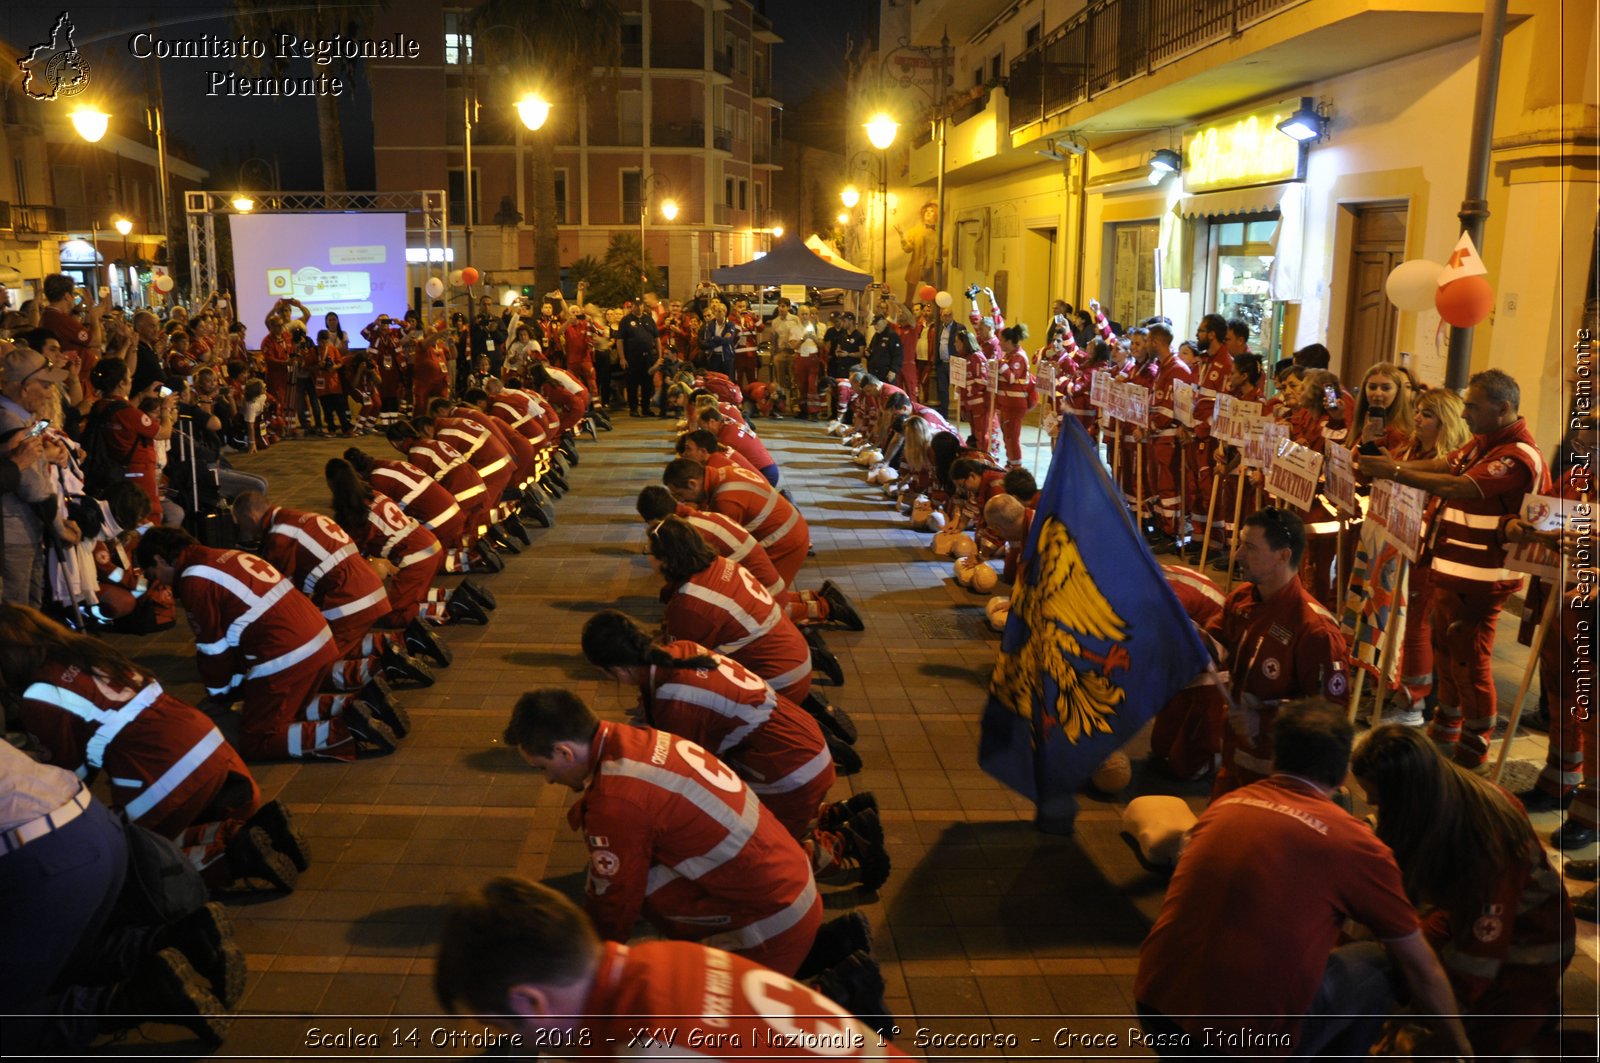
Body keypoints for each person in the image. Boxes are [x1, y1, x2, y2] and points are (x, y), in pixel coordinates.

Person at [1135, 699, 1473, 1059]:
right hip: (1242, 1042)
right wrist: (1460, 1048)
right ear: (1343, 772)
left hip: (1155, 1007)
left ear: (1277, 758)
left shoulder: (1226, 806)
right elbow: (1420, 967)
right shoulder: (1355, 845)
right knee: (1379, 963)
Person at [502, 690, 824, 977]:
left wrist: (588, 971)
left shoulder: (614, 803)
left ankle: (837, 990)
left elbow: (613, 905)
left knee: (705, 1034)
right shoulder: (643, 739)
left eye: (542, 767)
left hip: (769, 925)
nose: (547, 780)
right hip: (790, 883)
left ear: (564, 753)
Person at [0, 602, 310, 889]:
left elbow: (66, 778)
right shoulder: (86, 650)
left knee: (123, 862)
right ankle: (260, 832)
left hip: (161, 770)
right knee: (153, 827)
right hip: (209, 743)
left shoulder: (40, 695)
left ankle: (233, 857)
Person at [579, 611, 887, 888]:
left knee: (750, 866)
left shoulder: (675, 701)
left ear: (616, 671)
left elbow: (687, 781)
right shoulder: (681, 651)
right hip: (801, 746)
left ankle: (844, 841)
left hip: (789, 770)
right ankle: (834, 814)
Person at [435, 877, 900, 1053]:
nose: (517, 1042)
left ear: (529, 1001)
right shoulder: (665, 956)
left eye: (506, 1029)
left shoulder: (652, 1047)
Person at [1358, 368, 1549, 768]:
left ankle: (1474, 744)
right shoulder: (1484, 443)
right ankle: (1445, 729)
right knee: (1446, 650)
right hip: (1453, 566)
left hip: (1482, 575)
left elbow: (1460, 487)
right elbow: (1446, 467)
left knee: (1469, 660)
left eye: (1473, 406)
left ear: (1503, 407)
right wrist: (1391, 466)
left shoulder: (1515, 454)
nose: (1464, 414)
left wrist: (1391, 472)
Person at [1350, 725, 1573, 1055]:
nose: (1369, 803)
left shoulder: (1484, 844)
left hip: (1529, 944)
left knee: (1478, 1045)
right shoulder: (1440, 797)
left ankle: (1534, 1018)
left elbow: (1477, 958)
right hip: (1464, 917)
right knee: (1408, 963)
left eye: (1380, 799)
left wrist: (1427, 1021)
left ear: (1407, 796)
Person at [134, 525, 407, 761]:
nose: (158, 583)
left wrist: (220, 696)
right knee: (288, 707)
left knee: (256, 740)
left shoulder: (195, 579)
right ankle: (360, 704)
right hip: (315, 635)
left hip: (285, 650)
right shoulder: (221, 556)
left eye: (152, 574)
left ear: (160, 559)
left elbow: (213, 651)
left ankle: (340, 731)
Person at [1208, 507, 1350, 796]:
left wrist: (1261, 720)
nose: (1237, 555)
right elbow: (1210, 646)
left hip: (1283, 782)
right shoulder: (1242, 600)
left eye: (1249, 547)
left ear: (1284, 555)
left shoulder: (1316, 631)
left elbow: (1330, 720)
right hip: (1234, 762)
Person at [646, 516, 816, 703]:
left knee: (682, 695)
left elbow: (679, 662)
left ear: (666, 560)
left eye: (648, 551)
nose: (647, 557)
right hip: (795, 659)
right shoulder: (721, 563)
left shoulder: (690, 605)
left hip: (776, 685)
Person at [663, 456, 812, 591]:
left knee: (764, 597)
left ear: (692, 484)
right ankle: (818, 603)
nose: (682, 501)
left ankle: (821, 607)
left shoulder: (725, 501)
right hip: (789, 529)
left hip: (785, 542)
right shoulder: (724, 473)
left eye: (680, 495)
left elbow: (723, 548)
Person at [1, 344, 71, 605]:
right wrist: (59, 528)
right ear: (24, 387)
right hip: (13, 531)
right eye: (44, 385)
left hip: (25, 528)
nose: (49, 392)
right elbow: (32, 486)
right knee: (19, 613)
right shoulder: (9, 422)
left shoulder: (22, 420)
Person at [993, 323, 1034, 469]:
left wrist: (999, 364)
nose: (999, 343)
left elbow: (1011, 378)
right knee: (1007, 435)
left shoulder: (1019, 358)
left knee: (1012, 437)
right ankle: (1011, 461)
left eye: (1002, 340)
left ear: (1009, 342)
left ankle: (1017, 466)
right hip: (1006, 403)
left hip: (1015, 404)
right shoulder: (1009, 356)